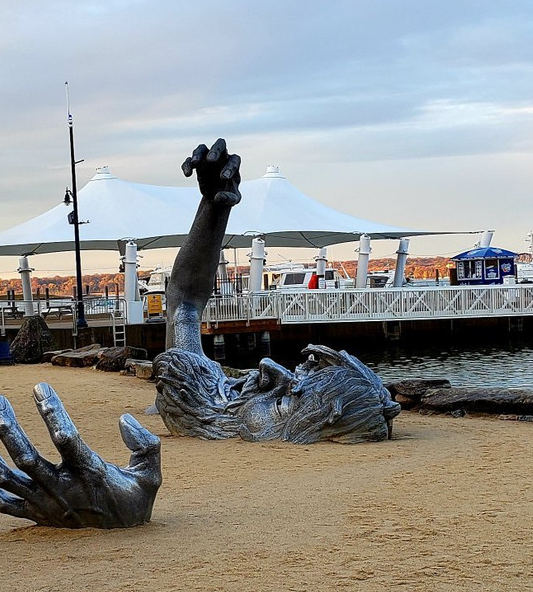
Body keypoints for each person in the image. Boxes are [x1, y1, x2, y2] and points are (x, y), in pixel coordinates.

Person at [154, 139, 400, 444]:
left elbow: (184, 305)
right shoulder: (219, 394)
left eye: (282, 403)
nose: (268, 367)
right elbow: (185, 302)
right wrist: (213, 208)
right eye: (296, 374)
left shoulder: (209, 400)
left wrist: (214, 210)